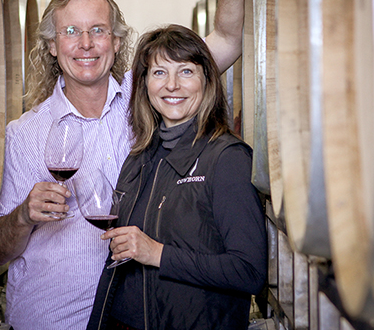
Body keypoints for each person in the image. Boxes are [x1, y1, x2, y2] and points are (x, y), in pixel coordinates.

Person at [0, 0, 268, 330]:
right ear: (52, 46)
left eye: (98, 30)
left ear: (117, 42)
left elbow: (224, 39)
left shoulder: (149, 100)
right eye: (70, 32)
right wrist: (23, 217)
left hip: (130, 317)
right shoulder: (24, 132)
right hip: (46, 320)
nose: (85, 44)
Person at [86, 24, 267, 330]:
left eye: (185, 71)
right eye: (159, 73)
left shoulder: (227, 158)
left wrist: (157, 253)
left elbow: (248, 270)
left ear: (206, 80)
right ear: (144, 85)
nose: (171, 85)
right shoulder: (140, 156)